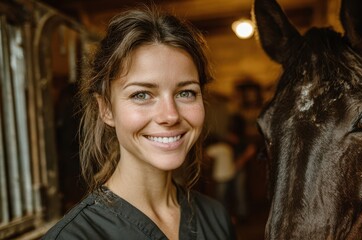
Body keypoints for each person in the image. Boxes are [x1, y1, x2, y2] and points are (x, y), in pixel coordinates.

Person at [43, 5, 236, 240]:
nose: (170, 115)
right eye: (141, 95)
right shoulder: (73, 237)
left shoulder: (215, 218)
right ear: (106, 108)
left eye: (185, 93)